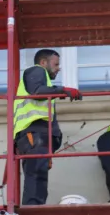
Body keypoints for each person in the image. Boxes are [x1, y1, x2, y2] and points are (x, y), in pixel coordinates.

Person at [13, 49, 83, 206]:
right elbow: (37, 91)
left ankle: (35, 208)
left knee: (38, 174)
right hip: (34, 133)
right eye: (56, 64)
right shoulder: (37, 71)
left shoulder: (45, 82)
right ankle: (32, 210)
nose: (59, 68)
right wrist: (63, 90)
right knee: (37, 174)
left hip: (35, 135)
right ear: (44, 63)